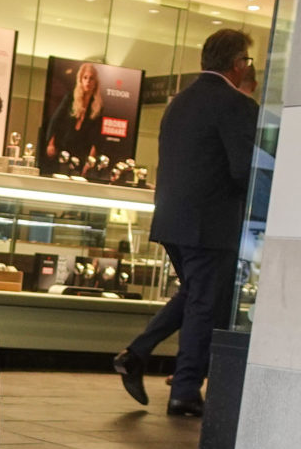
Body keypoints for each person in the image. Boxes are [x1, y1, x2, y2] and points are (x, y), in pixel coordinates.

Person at [113, 29, 257, 416]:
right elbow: (245, 170)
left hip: (173, 221)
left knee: (195, 294)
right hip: (210, 225)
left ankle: (137, 355)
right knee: (204, 304)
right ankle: (186, 389)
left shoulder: (180, 102)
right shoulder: (236, 104)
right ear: (238, 63)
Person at [43, 62, 103, 174]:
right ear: (80, 79)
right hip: (63, 147)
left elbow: (97, 138)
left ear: (95, 83)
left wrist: (90, 162)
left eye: (91, 78)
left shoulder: (97, 107)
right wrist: (51, 144)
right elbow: (55, 120)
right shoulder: (70, 98)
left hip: (81, 152)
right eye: (85, 78)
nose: (88, 82)